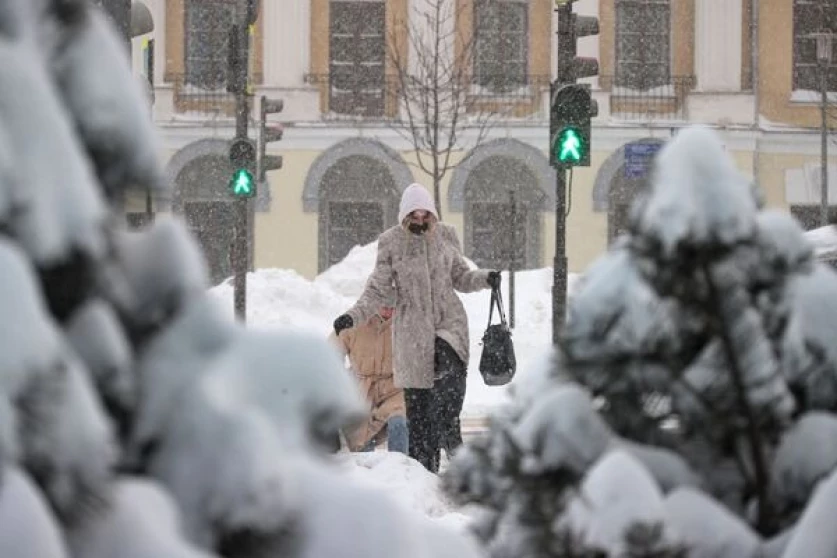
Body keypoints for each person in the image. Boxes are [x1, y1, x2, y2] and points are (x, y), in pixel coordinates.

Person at [333, 182, 500, 472]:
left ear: (433, 214)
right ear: (405, 215)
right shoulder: (391, 242)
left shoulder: (446, 236)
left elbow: (461, 277)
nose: (421, 221)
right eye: (415, 216)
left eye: (425, 215)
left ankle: (449, 426)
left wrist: (485, 278)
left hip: (449, 323)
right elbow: (378, 289)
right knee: (420, 416)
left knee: (446, 380)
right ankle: (425, 474)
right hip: (411, 332)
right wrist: (353, 317)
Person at [330, 303, 408, 454]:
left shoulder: (406, 321)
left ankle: (401, 466)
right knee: (360, 437)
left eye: (393, 307)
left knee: (399, 422)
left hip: (394, 387)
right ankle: (365, 471)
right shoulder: (353, 319)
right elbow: (332, 353)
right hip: (361, 387)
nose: (388, 311)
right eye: (385, 305)